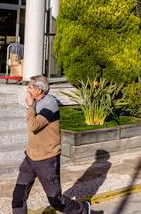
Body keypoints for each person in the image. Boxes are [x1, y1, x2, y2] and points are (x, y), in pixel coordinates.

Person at [12, 75, 90, 214]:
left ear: (39, 89)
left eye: (30, 87)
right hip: (30, 158)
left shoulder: (50, 104)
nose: (27, 90)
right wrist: (31, 105)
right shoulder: (37, 101)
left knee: (56, 200)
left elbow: (34, 125)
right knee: (18, 198)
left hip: (47, 160)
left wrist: (29, 105)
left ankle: (83, 210)